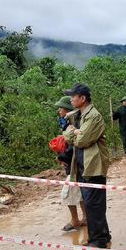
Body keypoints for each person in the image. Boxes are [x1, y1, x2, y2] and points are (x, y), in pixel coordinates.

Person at [62, 83, 111, 250]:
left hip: (94, 166)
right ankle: (102, 234)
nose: (70, 98)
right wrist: (74, 132)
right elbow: (68, 133)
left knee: (94, 204)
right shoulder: (79, 115)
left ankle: (97, 241)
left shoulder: (93, 116)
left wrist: (74, 133)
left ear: (82, 98)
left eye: (73, 96)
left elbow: (83, 140)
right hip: (83, 165)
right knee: (92, 203)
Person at [54, 96, 87, 232]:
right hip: (76, 163)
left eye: (61, 108)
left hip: (76, 163)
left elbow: (74, 145)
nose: (59, 111)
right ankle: (85, 218)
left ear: (67, 110)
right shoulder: (67, 122)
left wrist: (62, 157)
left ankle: (75, 220)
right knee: (79, 191)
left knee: (66, 193)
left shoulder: (72, 124)